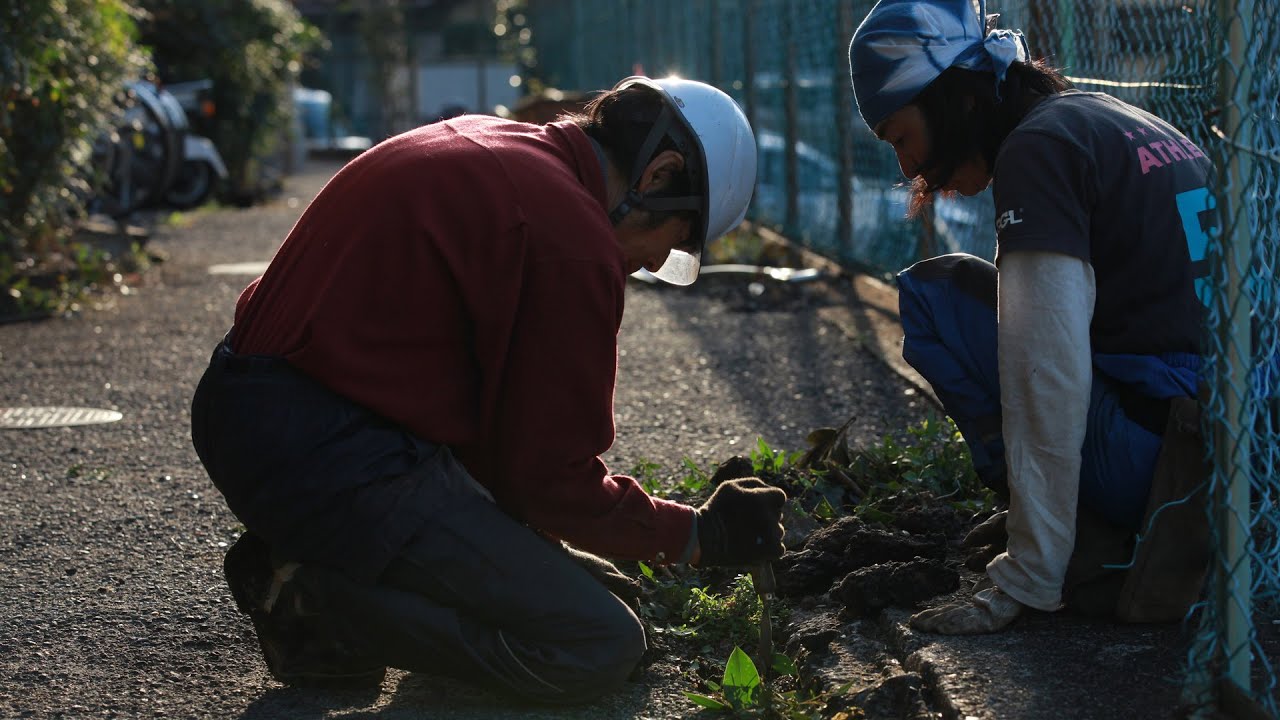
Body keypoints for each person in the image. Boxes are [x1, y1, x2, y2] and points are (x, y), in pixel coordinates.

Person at [190, 75, 786, 701]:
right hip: (329, 450)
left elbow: (501, 436)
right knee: (598, 642)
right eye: (674, 244)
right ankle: (312, 599)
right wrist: (696, 535)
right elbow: (547, 478)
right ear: (659, 176)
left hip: (263, 411)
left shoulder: (497, 144)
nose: (651, 264)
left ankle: (310, 561)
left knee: (591, 588)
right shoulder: (570, 238)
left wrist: (546, 555)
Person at [848, 0, 1214, 634]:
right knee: (987, 295)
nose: (907, 168)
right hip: (1234, 450)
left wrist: (1029, 574)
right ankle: (1061, 515)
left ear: (952, 96)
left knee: (938, 297)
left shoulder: (1037, 150)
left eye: (901, 137)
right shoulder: (1100, 117)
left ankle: (1058, 537)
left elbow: (1045, 371)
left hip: (1167, 466)